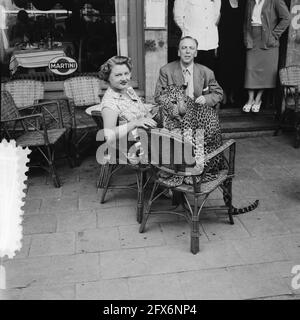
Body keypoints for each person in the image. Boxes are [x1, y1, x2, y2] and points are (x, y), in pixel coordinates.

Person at [95, 56, 157, 146]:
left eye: (126, 73)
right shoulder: (110, 102)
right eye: (118, 75)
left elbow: (145, 112)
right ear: (107, 77)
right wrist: (135, 123)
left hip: (150, 136)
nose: (124, 78)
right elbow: (109, 135)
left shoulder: (128, 90)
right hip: (134, 146)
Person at [243, 0, 290, 113]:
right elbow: (246, 21)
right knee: (250, 70)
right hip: (252, 38)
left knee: (265, 72)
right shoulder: (250, 1)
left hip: (268, 41)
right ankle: (250, 99)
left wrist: (274, 34)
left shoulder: (275, 1)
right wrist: (246, 37)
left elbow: (287, 18)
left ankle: (258, 99)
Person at [154, 36, 223, 108]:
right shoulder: (166, 71)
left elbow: (218, 93)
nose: (187, 51)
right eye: (184, 48)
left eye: (191, 48)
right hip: (175, 115)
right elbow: (158, 97)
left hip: (199, 114)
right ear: (179, 52)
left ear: (195, 53)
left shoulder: (207, 72)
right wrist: (177, 103)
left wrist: (206, 99)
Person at [173, 0, 221, 72]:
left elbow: (216, 16)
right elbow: (178, 16)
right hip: (191, 43)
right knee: (190, 76)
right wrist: (188, 32)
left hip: (210, 43)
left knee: (207, 76)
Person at [217, 0, 246, 107]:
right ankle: (223, 93)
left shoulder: (244, 3)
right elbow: (216, 22)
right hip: (224, 41)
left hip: (239, 42)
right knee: (223, 67)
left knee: (236, 68)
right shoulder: (222, 2)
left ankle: (232, 94)